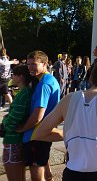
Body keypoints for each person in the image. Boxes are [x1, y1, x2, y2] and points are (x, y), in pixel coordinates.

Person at [17, 50, 60, 181]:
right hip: (40, 134)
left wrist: (21, 129)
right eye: (28, 64)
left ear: (44, 64)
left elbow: (37, 116)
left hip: (36, 135)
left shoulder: (44, 84)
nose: (29, 67)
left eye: (33, 64)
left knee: (36, 176)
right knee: (44, 172)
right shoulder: (48, 80)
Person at [1, 65, 37, 181]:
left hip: (13, 141)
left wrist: (5, 121)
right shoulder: (27, 92)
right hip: (19, 140)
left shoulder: (23, 95)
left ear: (20, 77)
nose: (11, 76)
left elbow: (13, 121)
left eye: (13, 74)